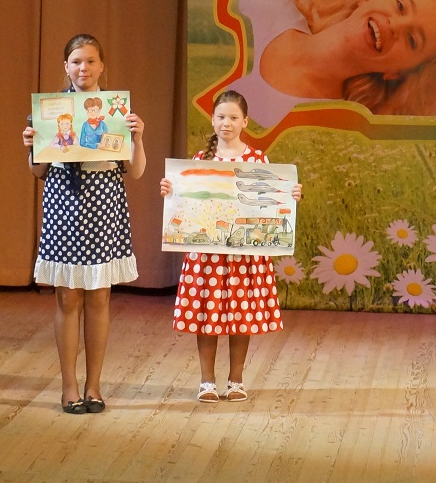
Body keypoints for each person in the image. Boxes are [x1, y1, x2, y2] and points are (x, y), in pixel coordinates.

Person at [22, 33, 146, 414]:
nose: (83, 68)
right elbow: (38, 171)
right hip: (65, 205)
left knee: (100, 295)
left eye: (90, 61)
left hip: (104, 204)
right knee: (67, 296)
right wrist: (32, 145)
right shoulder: (50, 111)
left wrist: (138, 137)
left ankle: (94, 386)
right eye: (76, 61)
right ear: (66, 67)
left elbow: (136, 171)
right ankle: (69, 387)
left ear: (102, 66)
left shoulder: (116, 111)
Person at [159, 90, 302, 403]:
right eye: (221, 117)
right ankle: (207, 382)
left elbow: (271, 199)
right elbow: (185, 202)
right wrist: (171, 189)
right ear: (212, 120)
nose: (227, 123)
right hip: (207, 255)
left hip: (245, 255)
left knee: (241, 316)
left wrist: (290, 195)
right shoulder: (200, 160)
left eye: (234, 117)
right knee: (207, 316)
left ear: (245, 122)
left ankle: (236, 380)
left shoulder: (258, 160)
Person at [229, 0, 436, 127]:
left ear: (396, 72)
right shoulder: (273, 5)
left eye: (412, 40)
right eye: (400, 6)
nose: (395, 25)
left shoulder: (330, 127)